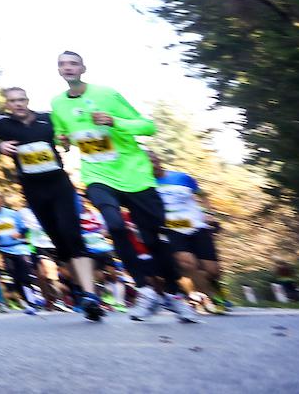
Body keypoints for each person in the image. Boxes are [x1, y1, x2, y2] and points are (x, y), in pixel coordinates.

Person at [51, 51, 198, 323]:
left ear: (83, 68)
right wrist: (63, 141)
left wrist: (114, 121)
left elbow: (147, 127)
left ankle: (175, 295)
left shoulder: (107, 94)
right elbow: (63, 136)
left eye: (72, 63)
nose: (67, 68)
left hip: (135, 175)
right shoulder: (57, 104)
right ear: (58, 70)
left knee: (154, 238)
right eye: (62, 64)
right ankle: (144, 290)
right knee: (115, 225)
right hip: (97, 175)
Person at [0, 86, 103, 320]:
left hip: (60, 185)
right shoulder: (0, 123)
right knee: (60, 244)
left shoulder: (47, 118)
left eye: (21, 99)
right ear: (6, 104)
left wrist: (66, 141)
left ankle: (91, 295)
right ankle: (83, 293)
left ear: (28, 100)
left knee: (72, 235)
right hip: (33, 191)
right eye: (12, 101)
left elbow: (68, 136)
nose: (18, 104)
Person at [149, 151, 228, 314]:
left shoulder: (182, 178)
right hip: (172, 228)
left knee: (212, 270)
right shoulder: (145, 185)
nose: (152, 164)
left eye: (154, 160)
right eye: (148, 162)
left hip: (197, 225)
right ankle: (211, 299)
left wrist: (210, 213)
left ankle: (215, 285)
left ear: (159, 160)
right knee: (188, 264)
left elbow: (202, 195)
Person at [0, 189, 40, 314]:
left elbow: (24, 228)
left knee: (24, 275)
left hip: (19, 247)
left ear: (1, 200)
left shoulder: (13, 213)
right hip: (3, 249)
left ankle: (32, 301)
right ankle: (27, 301)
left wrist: (19, 233)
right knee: (14, 277)